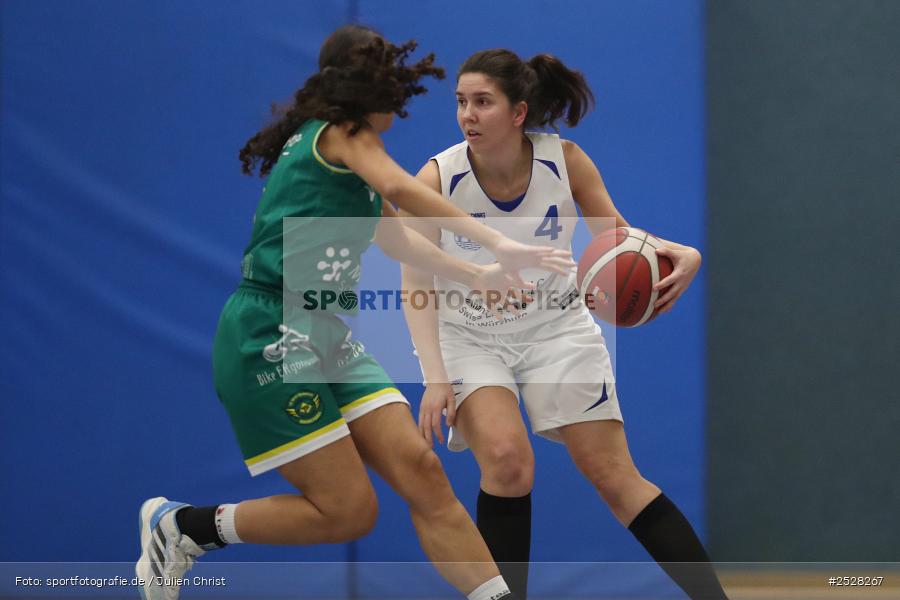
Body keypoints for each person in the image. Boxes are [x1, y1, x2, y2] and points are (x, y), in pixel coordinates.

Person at [135, 28, 573, 600]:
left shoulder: (342, 149)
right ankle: (184, 527)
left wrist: (477, 275)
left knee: (422, 471)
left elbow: (396, 238)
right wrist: (497, 243)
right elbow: (402, 190)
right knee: (349, 512)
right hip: (269, 335)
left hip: (325, 331)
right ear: (376, 86)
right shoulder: (344, 133)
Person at [400, 49, 729, 600]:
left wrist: (684, 254)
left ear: (518, 112)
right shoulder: (437, 177)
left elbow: (619, 240)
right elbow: (414, 280)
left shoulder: (565, 161)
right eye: (460, 102)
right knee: (508, 462)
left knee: (616, 479)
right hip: (471, 336)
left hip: (556, 327)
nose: (467, 115)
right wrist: (435, 377)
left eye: (483, 102)